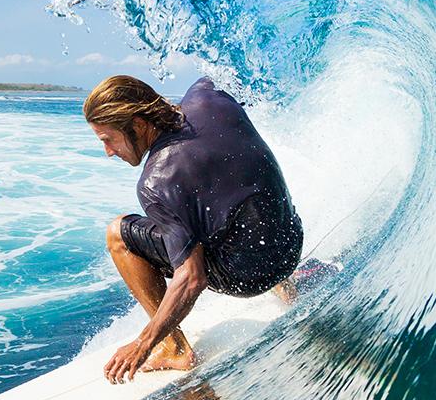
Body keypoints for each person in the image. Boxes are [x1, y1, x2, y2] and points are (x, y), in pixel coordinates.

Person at [84, 75, 303, 383]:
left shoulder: (155, 182)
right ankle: (288, 286)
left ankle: (173, 348)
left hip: (249, 277)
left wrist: (142, 344)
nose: (107, 151)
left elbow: (191, 278)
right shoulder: (207, 96)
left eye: (108, 139)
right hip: (290, 244)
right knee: (223, 189)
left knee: (117, 233)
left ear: (137, 123)